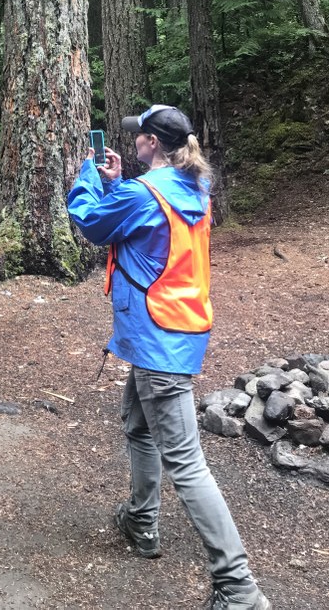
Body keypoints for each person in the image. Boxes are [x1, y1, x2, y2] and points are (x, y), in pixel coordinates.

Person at [66, 105, 271, 610]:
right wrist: (119, 185)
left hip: (157, 340)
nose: (131, 141)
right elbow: (143, 234)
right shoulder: (191, 188)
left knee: (187, 461)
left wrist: (88, 175)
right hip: (172, 332)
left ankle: (239, 588)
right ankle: (142, 521)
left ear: (153, 144)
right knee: (137, 426)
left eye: (138, 137)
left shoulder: (145, 193)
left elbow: (91, 224)